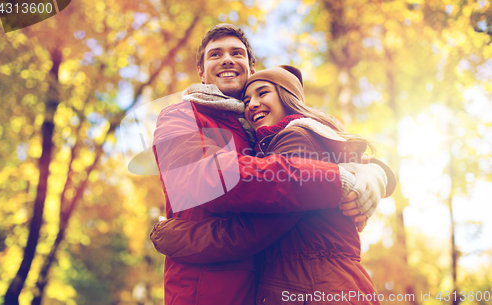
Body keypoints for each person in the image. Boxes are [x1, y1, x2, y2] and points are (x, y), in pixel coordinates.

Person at [151, 24, 395, 305]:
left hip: (272, 289)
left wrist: (375, 173)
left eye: (237, 53)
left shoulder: (262, 131)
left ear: (250, 69)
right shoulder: (181, 116)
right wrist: (338, 179)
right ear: (201, 71)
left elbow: (313, 157)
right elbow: (207, 179)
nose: (227, 59)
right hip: (204, 291)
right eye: (215, 54)